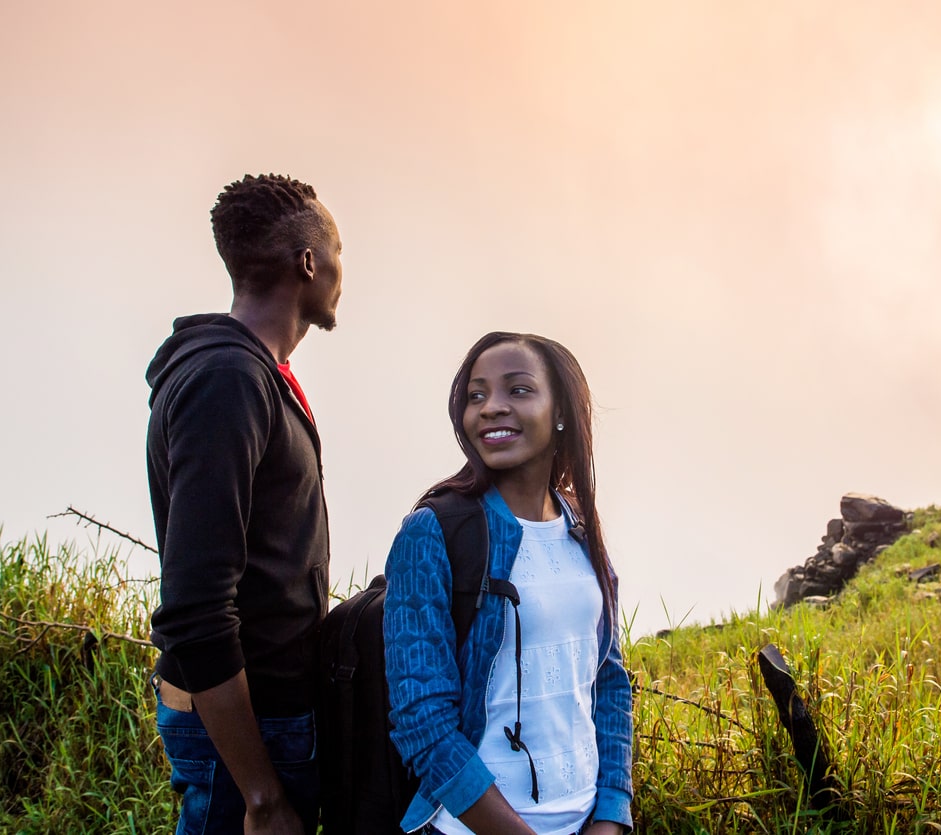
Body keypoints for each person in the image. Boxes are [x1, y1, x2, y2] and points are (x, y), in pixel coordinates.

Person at [145, 173, 343, 834]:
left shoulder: (250, 375)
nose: (344, 267)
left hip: (267, 720)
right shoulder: (227, 380)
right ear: (308, 261)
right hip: (247, 733)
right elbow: (197, 605)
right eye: (338, 249)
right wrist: (260, 792)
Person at [383, 332, 634, 835]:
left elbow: (607, 681)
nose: (491, 408)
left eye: (517, 390)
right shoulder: (433, 532)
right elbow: (422, 719)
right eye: (477, 396)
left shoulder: (581, 527)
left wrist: (610, 814)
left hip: (586, 822)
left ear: (560, 411)